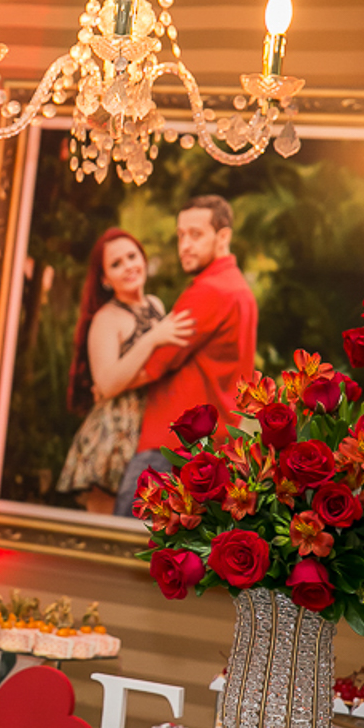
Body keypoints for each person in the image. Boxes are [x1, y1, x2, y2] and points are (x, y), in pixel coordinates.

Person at [113, 195, 258, 517]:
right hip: (208, 452)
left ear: (223, 236)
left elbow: (151, 366)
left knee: (118, 539)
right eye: (181, 235)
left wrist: (105, 384)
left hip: (168, 448)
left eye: (196, 234)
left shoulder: (210, 291)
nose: (185, 245)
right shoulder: (240, 291)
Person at [56, 229, 194, 513]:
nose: (129, 266)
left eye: (132, 256)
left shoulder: (154, 304)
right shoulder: (106, 319)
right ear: (105, 279)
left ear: (143, 259)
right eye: (116, 264)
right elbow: (106, 384)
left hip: (151, 427)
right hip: (113, 434)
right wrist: (153, 338)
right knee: (107, 526)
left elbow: (157, 367)